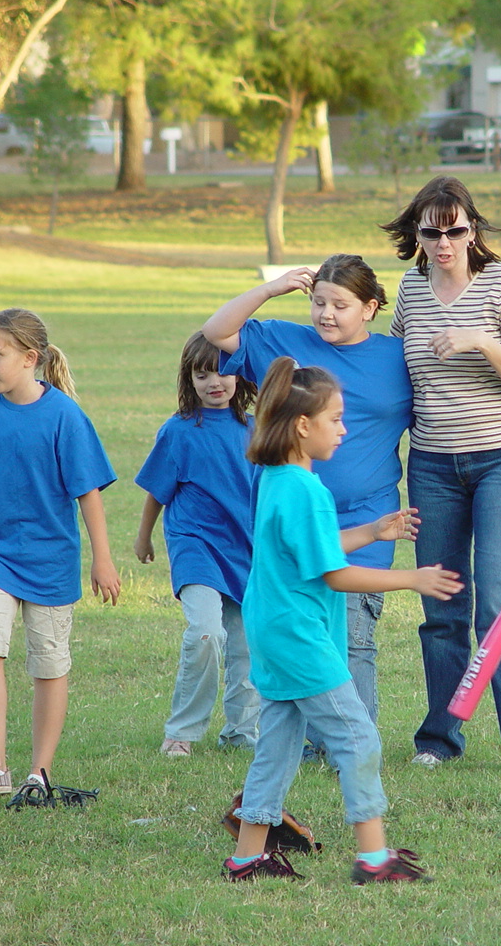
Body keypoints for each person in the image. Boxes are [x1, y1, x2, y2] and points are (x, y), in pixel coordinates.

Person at [224, 358, 461, 884]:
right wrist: (412, 579)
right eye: (334, 418)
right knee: (357, 737)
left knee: (278, 744)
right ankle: (374, 860)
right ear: (302, 425)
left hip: (274, 631)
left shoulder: (277, 479)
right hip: (299, 637)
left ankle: (246, 857)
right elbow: (333, 574)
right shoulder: (306, 490)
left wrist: (372, 532)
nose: (343, 429)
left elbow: (310, 550)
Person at [201, 254, 411, 759]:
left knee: (353, 634)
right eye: (319, 302)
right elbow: (216, 331)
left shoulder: (397, 357)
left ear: (371, 308)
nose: (326, 314)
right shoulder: (283, 343)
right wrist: (269, 288)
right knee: (302, 631)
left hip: (368, 517)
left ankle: (352, 745)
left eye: (341, 304)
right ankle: (309, 741)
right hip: (292, 520)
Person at [379, 174, 501, 778]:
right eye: (432, 233)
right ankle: (439, 738)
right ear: (418, 236)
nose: (445, 243)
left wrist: (481, 340)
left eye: (455, 230)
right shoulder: (411, 289)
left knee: (500, 601)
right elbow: (393, 371)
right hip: (432, 464)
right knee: (442, 604)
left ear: (472, 229)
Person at [0, 308, 120, 803]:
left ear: (30, 358)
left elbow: (89, 494)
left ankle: (39, 772)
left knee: (48, 665)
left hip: (51, 561)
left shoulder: (65, 417)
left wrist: (102, 559)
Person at [133, 332, 259, 758]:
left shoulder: (256, 431)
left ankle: (242, 733)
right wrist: (144, 536)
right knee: (206, 632)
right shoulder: (178, 431)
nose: (214, 382)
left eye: (223, 372)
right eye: (202, 375)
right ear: (189, 380)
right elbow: (157, 490)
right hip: (196, 545)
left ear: (240, 375)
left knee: (248, 647)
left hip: (247, 550)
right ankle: (181, 732)